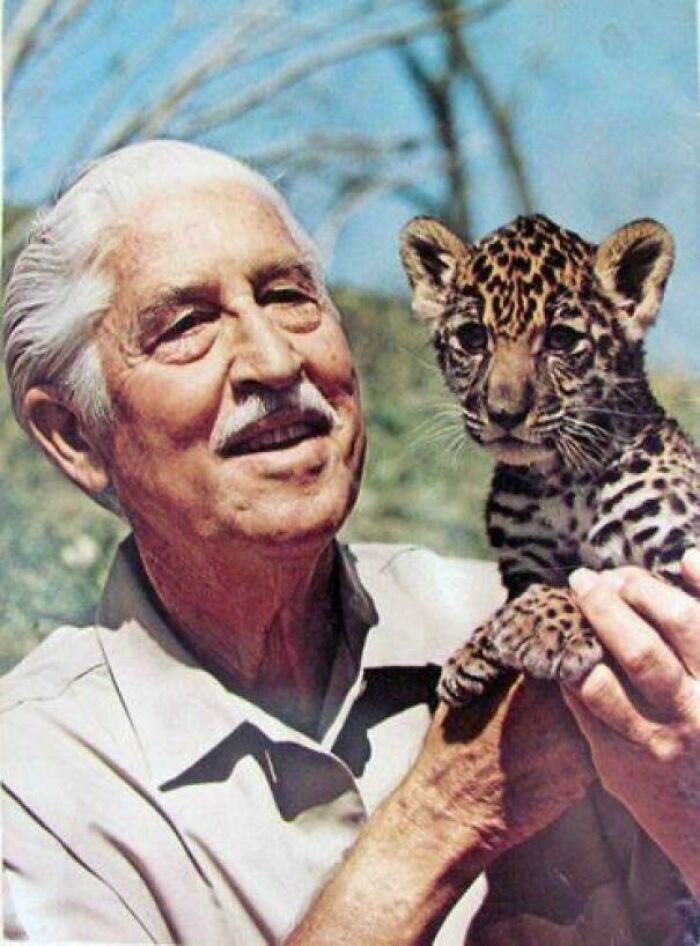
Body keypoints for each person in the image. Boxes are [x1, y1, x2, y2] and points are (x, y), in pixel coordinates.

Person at [1, 139, 698, 946]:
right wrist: (440, 817)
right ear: (75, 436)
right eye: (188, 324)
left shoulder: (534, 603)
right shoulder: (34, 789)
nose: (273, 360)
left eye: (290, 296)